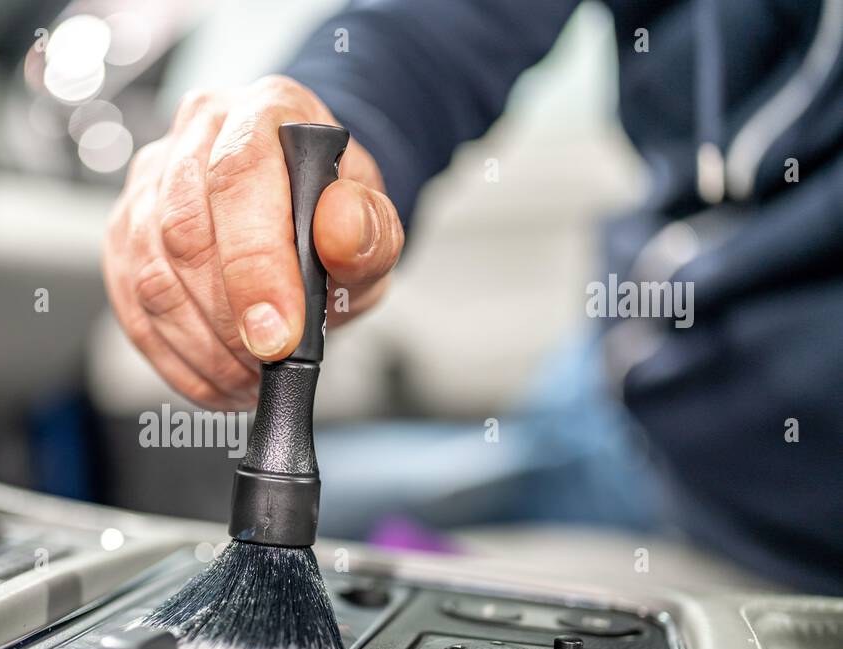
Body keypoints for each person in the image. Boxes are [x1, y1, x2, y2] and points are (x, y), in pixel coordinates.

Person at [102, 0, 843, 595]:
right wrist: (326, 108)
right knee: (187, 512)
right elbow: (431, 32)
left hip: (776, 530)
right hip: (613, 387)